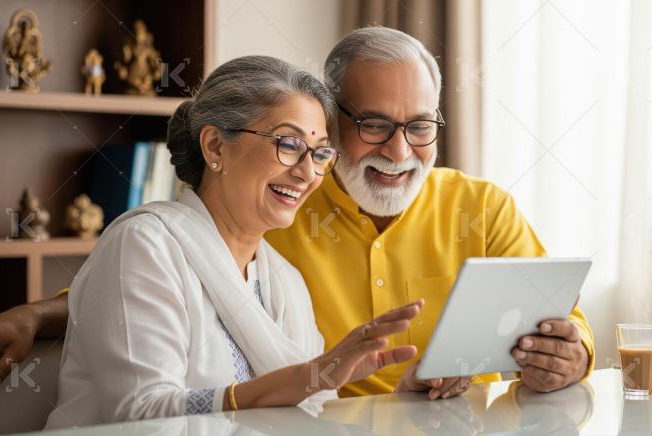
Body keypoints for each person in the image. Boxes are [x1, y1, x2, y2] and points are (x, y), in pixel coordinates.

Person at [0, 27, 594, 404]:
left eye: (419, 127)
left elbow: (564, 324)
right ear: (336, 120)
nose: (400, 152)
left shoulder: (276, 260)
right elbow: (145, 287)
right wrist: (37, 311)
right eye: (372, 125)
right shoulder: (263, 220)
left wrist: (576, 354)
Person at [40, 55, 422, 427]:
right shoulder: (144, 245)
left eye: (320, 153)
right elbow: (141, 415)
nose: (308, 173)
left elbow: (316, 414)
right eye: (288, 145)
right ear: (215, 147)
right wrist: (289, 383)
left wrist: (405, 405)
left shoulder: (285, 281)